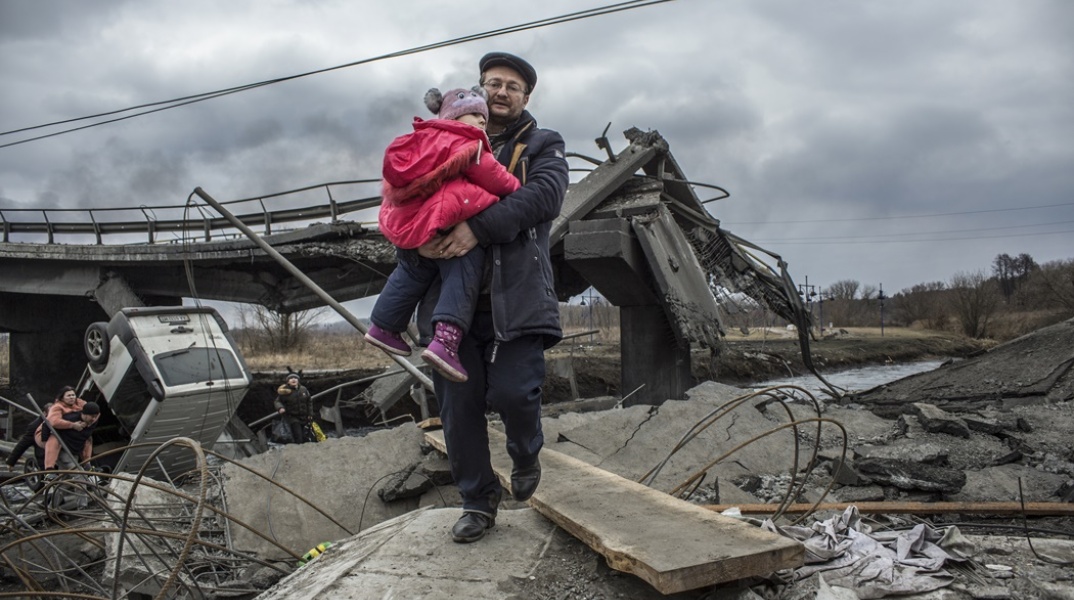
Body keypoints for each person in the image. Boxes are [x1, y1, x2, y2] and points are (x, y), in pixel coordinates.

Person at [418, 52, 569, 543]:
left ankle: (526, 452)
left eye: (512, 86)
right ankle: (477, 503)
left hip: (518, 299)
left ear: (526, 97)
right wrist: (416, 235)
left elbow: (543, 198)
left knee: (513, 393)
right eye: (492, 84)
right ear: (478, 91)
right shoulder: (442, 139)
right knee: (458, 410)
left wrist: (476, 228)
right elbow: (407, 195)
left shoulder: (543, 144)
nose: (501, 92)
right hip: (450, 310)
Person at [364, 86, 520, 383]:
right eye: (474, 114)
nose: (480, 121)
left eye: (483, 116)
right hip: (447, 218)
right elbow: (496, 179)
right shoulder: (467, 145)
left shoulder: (423, 142)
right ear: (453, 116)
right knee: (463, 270)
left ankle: (383, 325)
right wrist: (517, 189)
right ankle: (446, 341)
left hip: (418, 223)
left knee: (412, 270)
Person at [33, 386, 87, 470]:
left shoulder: (80, 403)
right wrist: (73, 425)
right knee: (54, 439)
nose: (72, 397)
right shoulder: (57, 407)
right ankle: (49, 468)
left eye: (73, 395)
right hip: (47, 434)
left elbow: (91, 410)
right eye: (68, 395)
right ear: (62, 398)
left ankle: (87, 463)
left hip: (68, 436)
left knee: (87, 437)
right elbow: (53, 422)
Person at [37, 402, 100, 470]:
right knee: (76, 472)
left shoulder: (92, 421)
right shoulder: (68, 418)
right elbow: (47, 424)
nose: (94, 419)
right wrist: (45, 441)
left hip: (74, 450)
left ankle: (86, 464)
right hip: (62, 448)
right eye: (92, 417)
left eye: (95, 417)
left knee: (66, 475)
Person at [5, 401, 53, 469]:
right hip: (45, 458)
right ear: (45, 413)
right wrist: (11, 462)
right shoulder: (35, 426)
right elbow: (23, 444)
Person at [274, 373, 316, 444]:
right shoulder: (284, 391)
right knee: (298, 435)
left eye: (295, 378)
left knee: (305, 435)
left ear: (298, 380)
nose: (293, 379)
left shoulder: (303, 389)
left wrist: (310, 414)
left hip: (304, 416)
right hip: (292, 417)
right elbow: (277, 401)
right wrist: (280, 408)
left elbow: (309, 402)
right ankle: (298, 446)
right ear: (288, 382)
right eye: (291, 379)